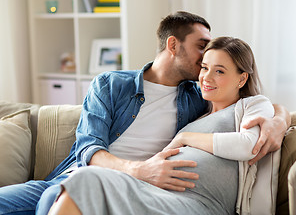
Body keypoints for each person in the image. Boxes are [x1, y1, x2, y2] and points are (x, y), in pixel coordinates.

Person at [0, 11, 290, 215]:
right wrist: (139, 169)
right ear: (173, 45)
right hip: (72, 176)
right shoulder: (111, 84)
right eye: (201, 48)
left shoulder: (197, 95)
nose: (206, 60)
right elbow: (89, 149)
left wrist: (279, 119)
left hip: (128, 189)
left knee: (56, 199)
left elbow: (247, 100)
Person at [49, 36, 278, 215]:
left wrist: (186, 138)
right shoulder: (197, 110)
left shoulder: (253, 104)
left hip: (199, 204)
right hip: (157, 193)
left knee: (86, 182)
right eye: (204, 67)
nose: (206, 77)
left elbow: (248, 145)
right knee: (85, 178)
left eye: (219, 71)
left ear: (242, 79)